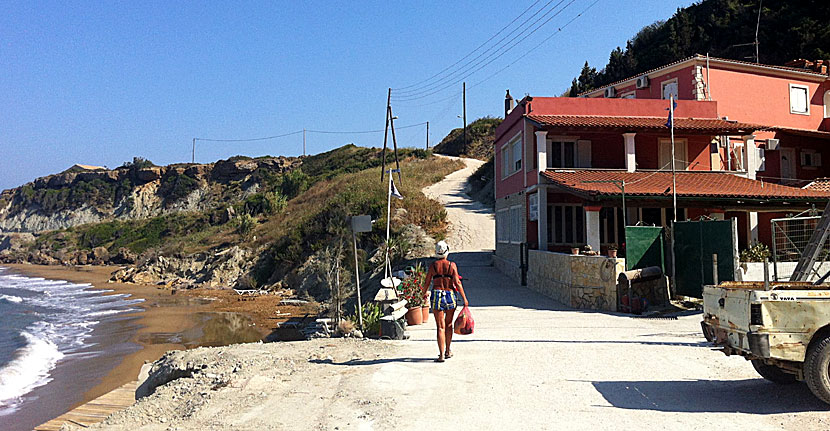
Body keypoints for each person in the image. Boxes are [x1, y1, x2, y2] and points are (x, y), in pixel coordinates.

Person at [421, 240, 468, 362]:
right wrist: (464, 299)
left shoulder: (433, 266)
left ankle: (441, 354)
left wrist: (423, 294)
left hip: (437, 295)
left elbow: (427, 282)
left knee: (440, 326)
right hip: (450, 294)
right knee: (448, 324)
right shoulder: (452, 265)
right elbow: (457, 282)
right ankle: (448, 350)